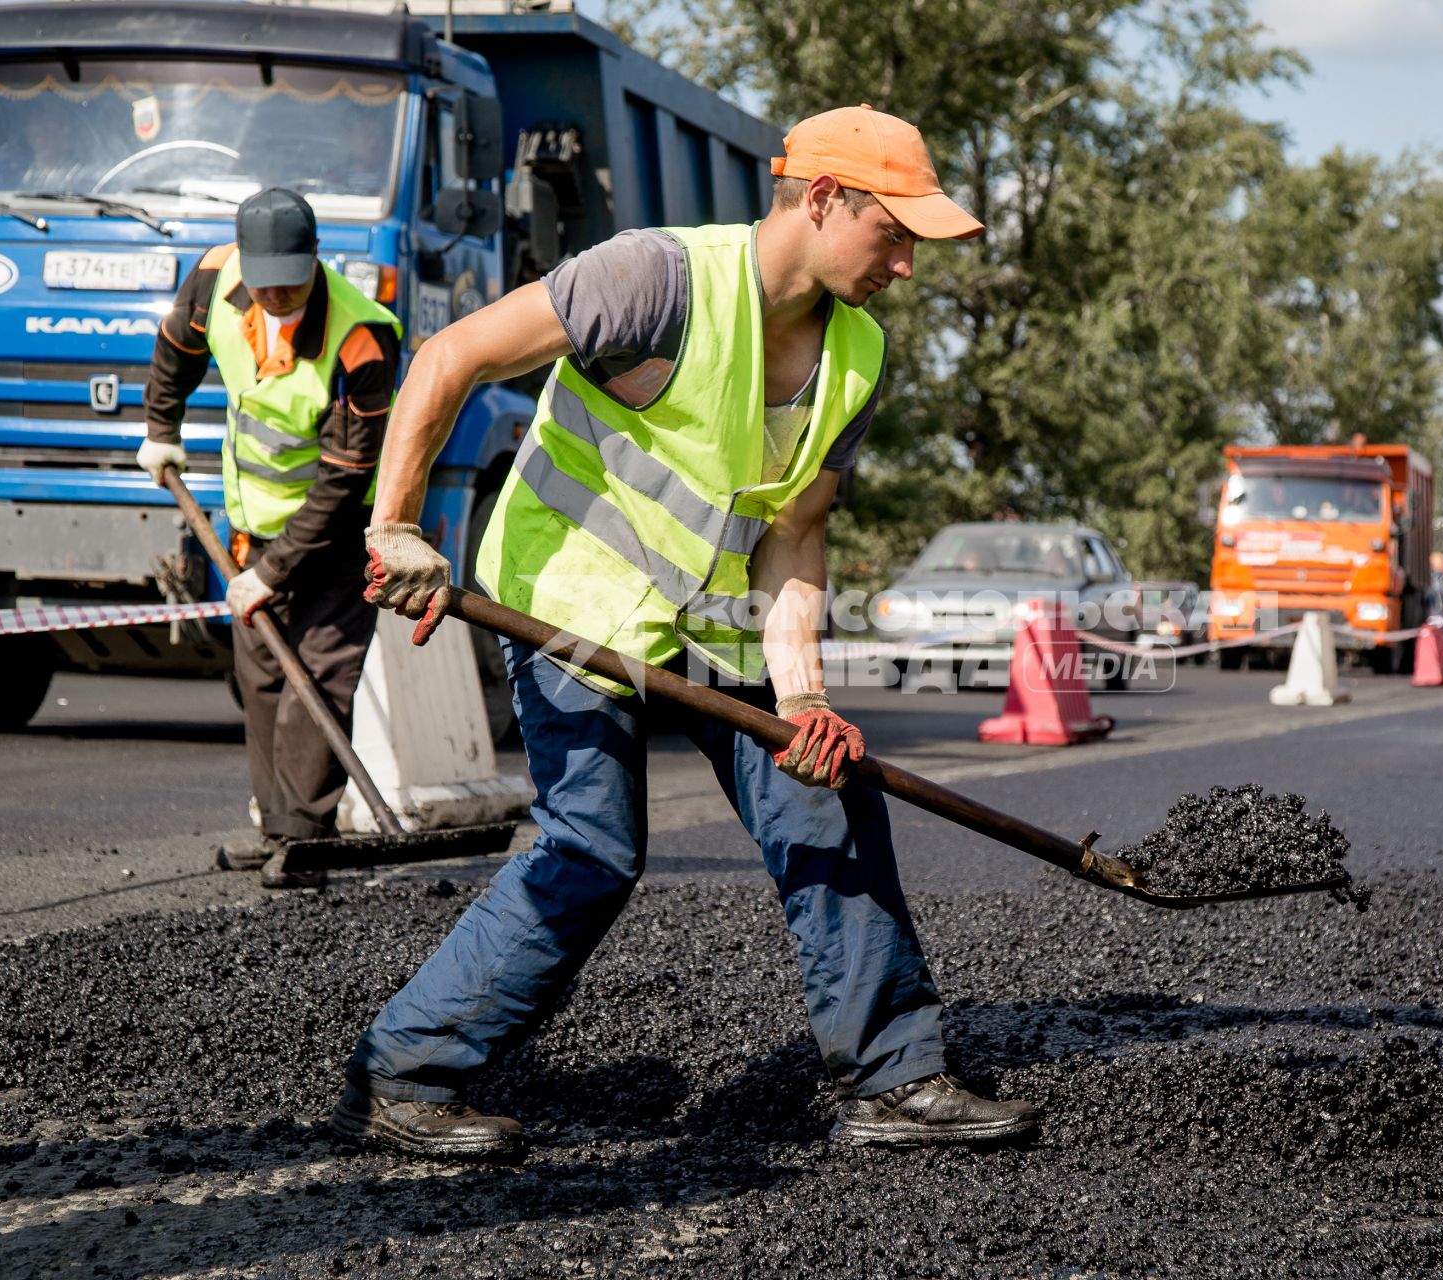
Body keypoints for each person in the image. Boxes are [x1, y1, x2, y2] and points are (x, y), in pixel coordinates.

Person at [336, 105, 1041, 1161]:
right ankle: (407, 1070)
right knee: (594, 848)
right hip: (568, 599)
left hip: (716, 621)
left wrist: (800, 696)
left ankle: (895, 1076)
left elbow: (795, 533)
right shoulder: (655, 280)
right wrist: (397, 525)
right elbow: (449, 357)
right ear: (821, 200)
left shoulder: (857, 356)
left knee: (826, 790)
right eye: (893, 233)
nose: (905, 262)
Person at [136, 188, 402, 890]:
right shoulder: (217, 277)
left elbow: (346, 478)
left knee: (317, 679)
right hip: (250, 530)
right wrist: (161, 430)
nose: (278, 295)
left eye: (291, 280)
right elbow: (175, 350)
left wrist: (275, 572)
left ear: (316, 260)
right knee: (259, 681)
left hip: (340, 541)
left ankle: (303, 839)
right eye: (265, 283)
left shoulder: (362, 336)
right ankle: (277, 831)